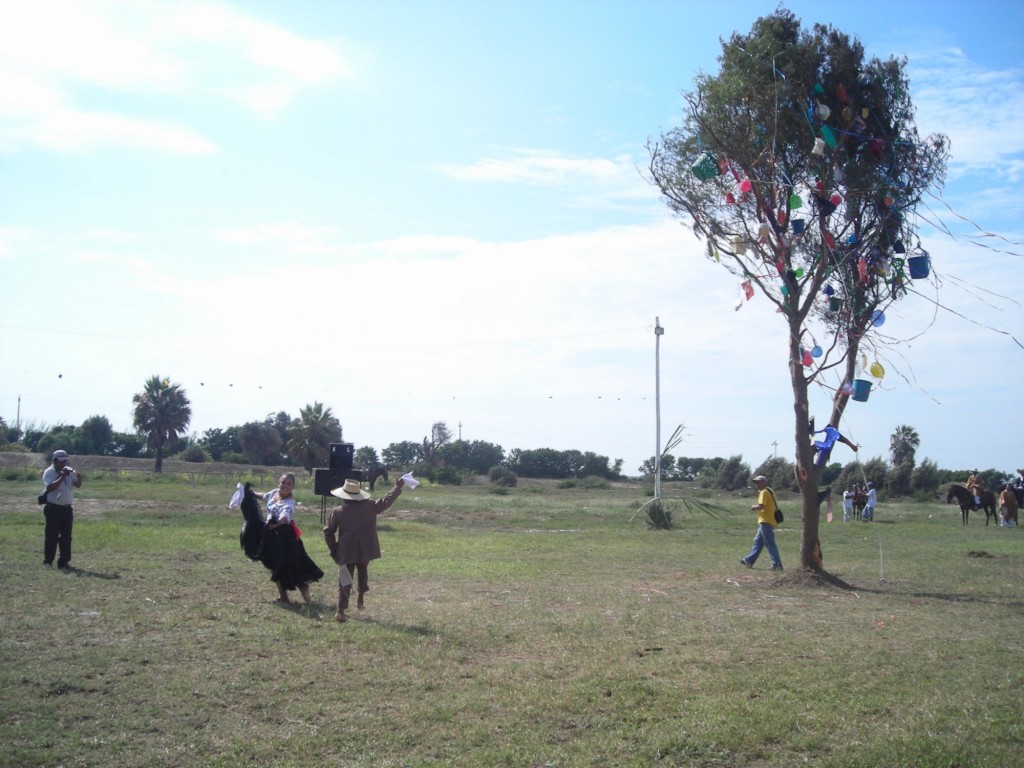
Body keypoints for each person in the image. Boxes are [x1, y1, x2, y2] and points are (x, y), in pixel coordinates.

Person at [323, 475, 405, 623]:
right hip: (366, 548)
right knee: (363, 572)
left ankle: (341, 611)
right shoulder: (370, 506)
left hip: (346, 550)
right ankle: (360, 599)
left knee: (344, 579)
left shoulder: (338, 511)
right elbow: (386, 502)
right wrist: (397, 487)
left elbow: (328, 531)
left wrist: (334, 549)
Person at [255, 473, 323, 604]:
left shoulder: (289, 502)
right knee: (276, 567)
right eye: (283, 482)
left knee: (297, 569)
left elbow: (284, 515)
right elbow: (263, 496)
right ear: (279, 483)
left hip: (287, 540)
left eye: (289, 484)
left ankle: (308, 600)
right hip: (273, 538)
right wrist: (250, 492)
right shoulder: (274, 493)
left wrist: (277, 523)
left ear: (292, 487)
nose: (285, 486)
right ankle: (284, 598)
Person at [41, 449, 83, 569]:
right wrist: (62, 477)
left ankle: (64, 561)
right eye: (60, 461)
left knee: (66, 537)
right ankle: (48, 561)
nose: (63, 463)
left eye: (65, 461)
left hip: (67, 509)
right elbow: (49, 487)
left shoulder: (69, 471)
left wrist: (78, 478)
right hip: (53, 508)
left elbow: (77, 485)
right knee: (51, 536)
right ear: (54, 461)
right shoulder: (49, 472)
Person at [739, 475, 783, 571]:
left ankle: (777, 565)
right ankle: (749, 560)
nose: (757, 484)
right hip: (768, 520)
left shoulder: (763, 492)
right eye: (756, 483)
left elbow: (761, 506)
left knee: (770, 544)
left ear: (764, 482)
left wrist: (754, 507)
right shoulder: (770, 491)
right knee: (758, 543)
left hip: (765, 521)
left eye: (759, 482)